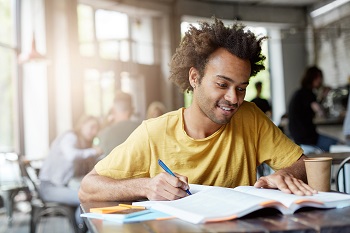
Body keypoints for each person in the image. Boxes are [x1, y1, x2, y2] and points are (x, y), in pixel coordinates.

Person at [79, 17, 316, 204]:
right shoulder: (154, 133)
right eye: (222, 85)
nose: (234, 99)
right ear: (195, 77)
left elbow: (302, 163)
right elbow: (88, 187)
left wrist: (286, 175)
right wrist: (145, 186)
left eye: (241, 88)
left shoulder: (250, 117)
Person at [39, 115, 103, 230]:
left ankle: (80, 227)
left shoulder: (80, 143)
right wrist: (94, 151)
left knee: (88, 194)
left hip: (59, 187)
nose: (94, 132)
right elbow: (71, 155)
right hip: (49, 188)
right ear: (82, 125)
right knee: (86, 198)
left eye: (96, 129)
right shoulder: (70, 137)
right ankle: (81, 228)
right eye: (92, 127)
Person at [288, 66, 339, 152]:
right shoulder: (307, 93)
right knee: (338, 145)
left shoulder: (300, 93)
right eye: (319, 78)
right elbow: (320, 111)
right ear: (313, 78)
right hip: (308, 138)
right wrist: (324, 96)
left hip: (299, 138)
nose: (320, 81)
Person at [97, 91, 140, 156]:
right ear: (132, 109)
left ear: (113, 110)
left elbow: (98, 151)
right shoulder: (142, 128)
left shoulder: (105, 134)